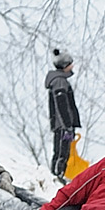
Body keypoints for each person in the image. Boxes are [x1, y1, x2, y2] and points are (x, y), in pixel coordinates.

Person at [45, 48, 81, 180]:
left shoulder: (60, 80)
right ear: (65, 65)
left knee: (63, 152)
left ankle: (58, 175)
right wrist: (67, 126)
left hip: (63, 125)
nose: (72, 65)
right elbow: (62, 106)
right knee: (61, 152)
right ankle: (57, 176)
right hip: (62, 125)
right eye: (70, 63)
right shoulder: (60, 81)